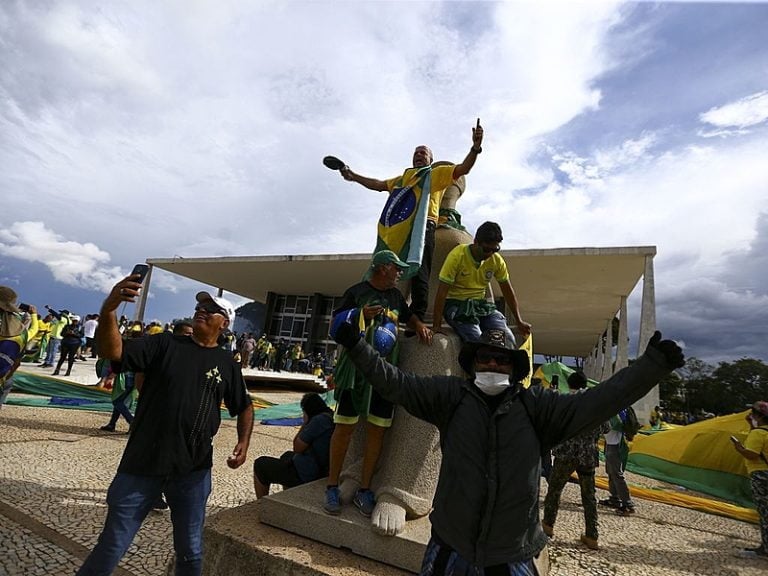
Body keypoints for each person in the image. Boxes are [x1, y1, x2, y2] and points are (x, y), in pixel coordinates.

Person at [330, 322, 684, 574]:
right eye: (485, 358)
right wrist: (358, 347)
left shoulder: (538, 408)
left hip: (512, 554)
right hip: (450, 548)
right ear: (472, 364)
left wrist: (651, 367)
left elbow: (599, 402)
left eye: (502, 360)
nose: (493, 365)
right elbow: (397, 384)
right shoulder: (450, 398)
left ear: (514, 368)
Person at [76, 277, 253, 576]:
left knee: (191, 552)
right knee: (111, 546)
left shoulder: (227, 364)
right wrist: (109, 310)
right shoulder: (164, 344)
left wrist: (243, 442)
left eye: (211, 309)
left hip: (193, 472)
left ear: (224, 324)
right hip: (141, 465)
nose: (201, 310)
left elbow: (244, 405)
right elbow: (113, 352)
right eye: (200, 306)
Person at [338, 119, 484, 320]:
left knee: (420, 273)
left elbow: (462, 169)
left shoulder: (434, 175)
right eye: (416, 153)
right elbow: (378, 184)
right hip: (400, 230)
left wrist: (475, 148)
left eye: (423, 153)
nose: (418, 155)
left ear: (430, 160)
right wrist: (353, 176)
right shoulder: (403, 180)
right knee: (390, 270)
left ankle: (417, 317)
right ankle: (379, 307)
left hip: (423, 228)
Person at [324, 250, 433, 518]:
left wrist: (419, 325)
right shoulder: (356, 292)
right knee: (344, 429)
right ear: (383, 268)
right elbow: (334, 326)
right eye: (396, 268)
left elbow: (407, 315)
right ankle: (332, 486)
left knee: (377, 431)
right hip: (355, 371)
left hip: (384, 374)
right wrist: (360, 313)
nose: (400, 273)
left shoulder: (396, 296)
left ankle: (364, 489)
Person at [542, 371, 609, 550]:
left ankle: (548, 526)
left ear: (569, 384)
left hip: (566, 453)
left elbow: (553, 423)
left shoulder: (565, 402)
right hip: (588, 455)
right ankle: (592, 535)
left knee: (554, 490)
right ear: (585, 384)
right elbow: (606, 428)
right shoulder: (597, 405)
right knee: (589, 496)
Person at [432, 221, 531, 343]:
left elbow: (508, 291)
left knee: (506, 338)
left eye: (495, 249)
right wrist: (436, 325)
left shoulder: (496, 260)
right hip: (457, 305)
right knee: (478, 341)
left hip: (480, 306)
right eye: (486, 249)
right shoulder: (457, 256)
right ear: (475, 242)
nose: (490, 254)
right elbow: (441, 292)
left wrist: (519, 321)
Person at [253, 392, 334, 498]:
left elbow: (297, 447)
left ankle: (261, 503)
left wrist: (305, 423)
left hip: (308, 473)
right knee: (287, 455)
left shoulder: (318, 421)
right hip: (321, 468)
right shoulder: (330, 416)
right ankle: (289, 496)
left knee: (260, 464)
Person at [731, 401, 768, 559]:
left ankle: (766, 549)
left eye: (753, 413)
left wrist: (739, 448)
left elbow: (752, 454)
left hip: (761, 475)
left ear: (759, 416)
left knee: (765, 512)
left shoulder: (758, 433)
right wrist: (752, 425)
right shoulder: (762, 432)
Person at [0, 287, 39, 410]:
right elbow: (34, 330)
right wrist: (34, 315)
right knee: (7, 385)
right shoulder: (21, 334)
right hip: (4, 377)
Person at [600, 408, 637, 516]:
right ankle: (614, 498)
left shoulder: (614, 408)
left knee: (617, 474)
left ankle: (628, 504)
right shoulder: (616, 407)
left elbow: (614, 425)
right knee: (611, 472)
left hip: (615, 445)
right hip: (611, 443)